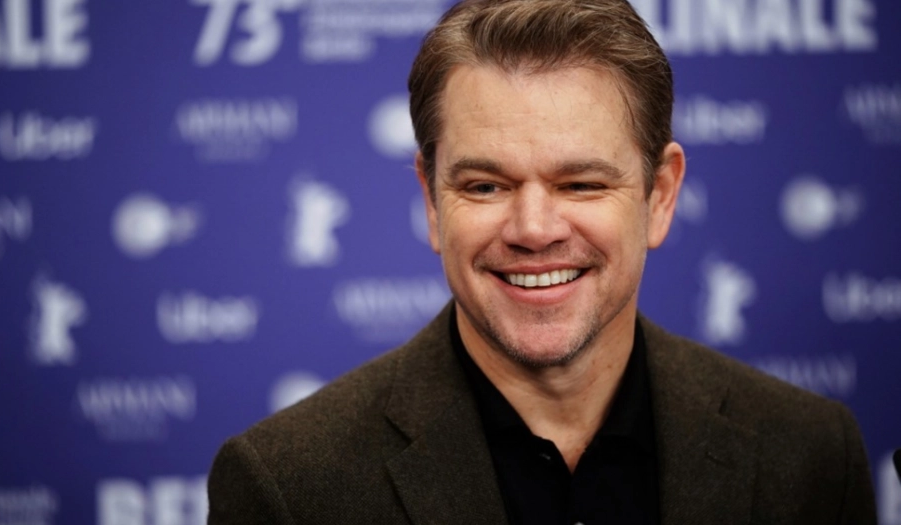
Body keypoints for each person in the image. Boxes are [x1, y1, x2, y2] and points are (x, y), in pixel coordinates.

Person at [207, 0, 877, 523]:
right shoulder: (287, 486)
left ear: (660, 196)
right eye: (485, 186)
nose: (533, 230)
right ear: (432, 202)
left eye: (580, 183)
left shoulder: (812, 455)